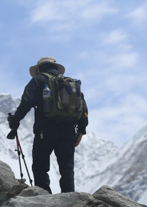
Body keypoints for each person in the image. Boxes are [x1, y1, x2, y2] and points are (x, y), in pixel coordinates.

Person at [7, 57, 88, 193]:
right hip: (68, 131)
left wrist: (16, 120)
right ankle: (69, 199)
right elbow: (82, 106)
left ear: (39, 69)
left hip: (45, 131)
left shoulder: (39, 80)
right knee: (67, 168)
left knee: (40, 167)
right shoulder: (70, 83)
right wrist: (81, 130)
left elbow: (26, 102)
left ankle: (44, 197)